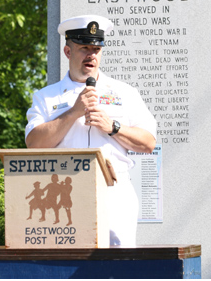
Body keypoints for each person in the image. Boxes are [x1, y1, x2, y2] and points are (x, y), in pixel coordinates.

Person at [25, 15, 156, 247]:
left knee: (118, 266)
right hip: (65, 192)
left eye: (96, 48)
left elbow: (148, 142)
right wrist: (73, 112)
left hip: (113, 192)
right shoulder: (46, 97)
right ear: (67, 51)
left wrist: (112, 127)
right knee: (66, 265)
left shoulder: (125, 93)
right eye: (84, 47)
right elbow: (34, 143)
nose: (91, 55)